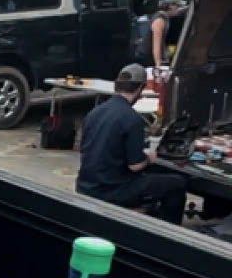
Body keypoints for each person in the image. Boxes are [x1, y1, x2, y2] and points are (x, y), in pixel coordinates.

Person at [76, 64, 187, 224]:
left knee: (154, 178)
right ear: (141, 89)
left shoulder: (94, 113)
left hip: (86, 185)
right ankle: (167, 232)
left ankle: (147, 211)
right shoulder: (131, 118)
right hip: (112, 190)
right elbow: (135, 166)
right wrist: (150, 158)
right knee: (177, 183)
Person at [149, 0, 186, 68]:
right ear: (171, 6)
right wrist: (158, 65)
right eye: (178, 6)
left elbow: (180, 11)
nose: (180, 8)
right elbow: (156, 46)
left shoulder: (165, 16)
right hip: (149, 58)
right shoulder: (159, 21)